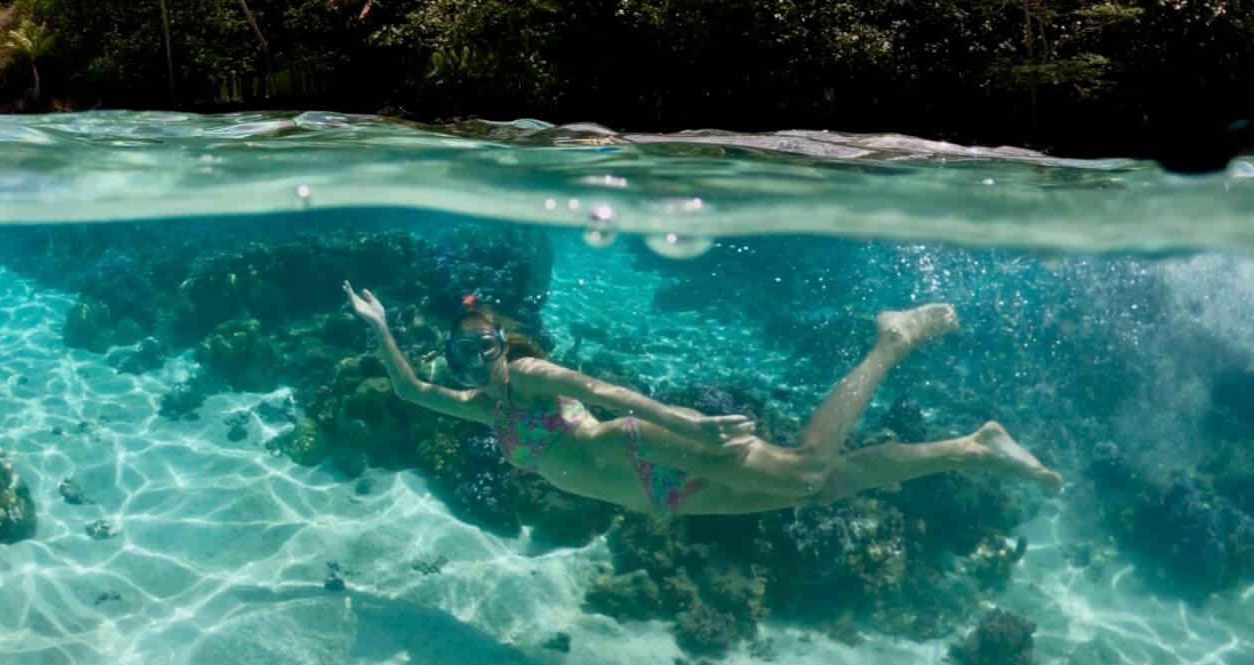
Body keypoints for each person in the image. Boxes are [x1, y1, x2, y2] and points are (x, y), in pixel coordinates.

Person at [341, 283, 1061, 517]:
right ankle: (972, 448)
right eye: (465, 349)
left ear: (505, 337)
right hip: (658, 496)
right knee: (819, 487)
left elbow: (605, 391)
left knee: (809, 468)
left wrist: (688, 419)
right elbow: (408, 389)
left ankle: (891, 341)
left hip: (643, 445)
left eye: (487, 338)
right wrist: (380, 330)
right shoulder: (484, 405)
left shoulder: (528, 377)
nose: (479, 354)